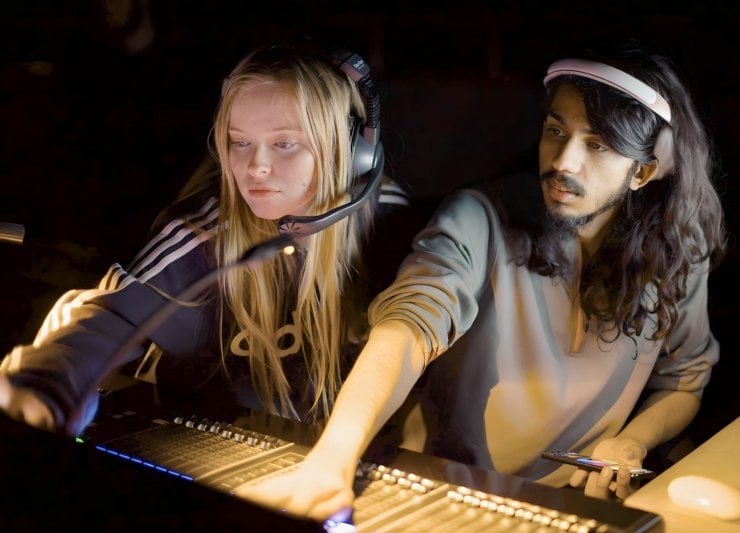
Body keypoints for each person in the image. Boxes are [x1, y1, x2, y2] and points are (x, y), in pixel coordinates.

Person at [234, 44, 727, 520]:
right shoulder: (480, 216)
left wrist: (631, 442)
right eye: (556, 131)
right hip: (440, 491)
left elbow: (684, 380)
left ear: (642, 172)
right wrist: (332, 458)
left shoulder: (678, 249)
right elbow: (408, 326)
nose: (563, 162)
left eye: (596, 145)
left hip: (569, 506)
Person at [0, 42, 426, 436]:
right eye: (240, 142)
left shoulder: (390, 218)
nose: (255, 166)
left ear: (350, 151)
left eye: (283, 144)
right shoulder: (200, 237)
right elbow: (105, 323)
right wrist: (47, 382)